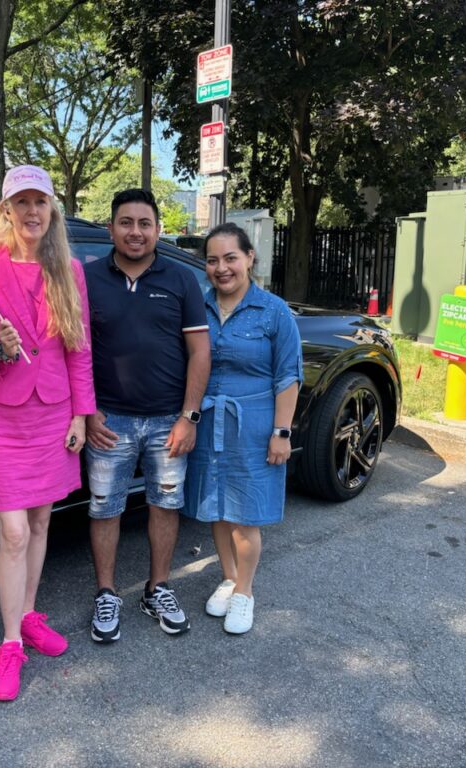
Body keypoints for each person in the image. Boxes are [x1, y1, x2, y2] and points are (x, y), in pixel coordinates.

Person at [0, 164, 95, 701]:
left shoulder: (69, 270)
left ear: (52, 211)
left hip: (53, 414)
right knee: (13, 532)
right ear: (6, 211)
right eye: (22, 202)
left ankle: (32, 613)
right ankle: (11, 642)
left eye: (41, 202)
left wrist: (81, 415)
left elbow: (80, 351)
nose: (32, 212)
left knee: (41, 523)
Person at [84, 189, 211, 643]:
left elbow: (200, 352)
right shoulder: (88, 279)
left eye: (144, 223)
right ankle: (106, 592)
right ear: (110, 228)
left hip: (168, 422)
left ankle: (158, 588)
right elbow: (75, 352)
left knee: (165, 504)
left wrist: (189, 417)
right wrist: (87, 411)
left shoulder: (180, 280)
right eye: (125, 222)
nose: (135, 231)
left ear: (157, 229)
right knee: (105, 509)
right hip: (107, 423)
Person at [182, 222, 303, 634]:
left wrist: (281, 432)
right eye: (212, 260)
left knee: (245, 514)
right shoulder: (198, 307)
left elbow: (288, 375)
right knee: (217, 508)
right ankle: (230, 578)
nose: (222, 268)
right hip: (209, 421)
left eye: (230, 257)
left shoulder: (274, 311)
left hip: (253, 425)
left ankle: (245, 592)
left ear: (250, 257)